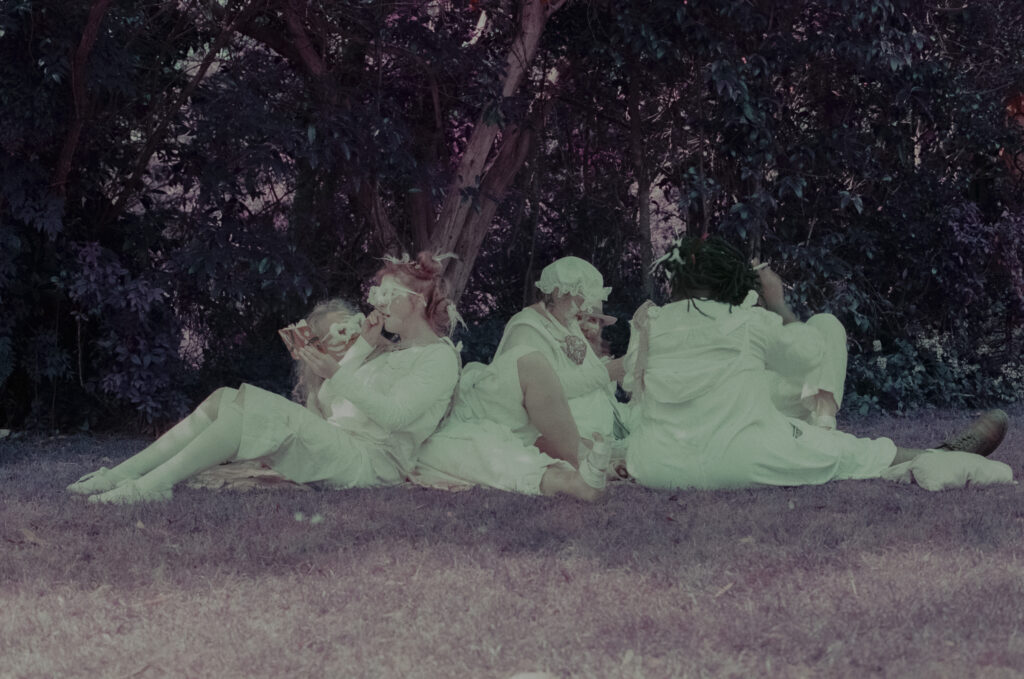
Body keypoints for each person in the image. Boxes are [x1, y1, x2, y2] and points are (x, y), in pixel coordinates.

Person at [622, 235, 1011, 491]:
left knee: (802, 400)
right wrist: (777, 303)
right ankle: (943, 455)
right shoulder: (748, 321)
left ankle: (834, 429)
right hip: (740, 460)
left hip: (656, 465)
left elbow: (632, 386)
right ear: (732, 282)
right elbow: (810, 354)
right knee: (849, 452)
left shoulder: (651, 321)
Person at [67, 252, 462, 504]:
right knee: (225, 397)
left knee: (254, 407)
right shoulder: (392, 350)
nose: (378, 303)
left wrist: (337, 372)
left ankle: (153, 485)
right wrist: (360, 349)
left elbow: (394, 417)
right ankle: (124, 474)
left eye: (388, 296)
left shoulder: (439, 358)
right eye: (378, 295)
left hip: (371, 463)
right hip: (342, 444)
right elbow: (330, 405)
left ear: (416, 303)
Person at [411, 257, 621, 500]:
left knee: (605, 441)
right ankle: (582, 462)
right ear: (558, 292)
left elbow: (585, 371)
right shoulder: (526, 326)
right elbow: (546, 388)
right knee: (531, 367)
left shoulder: (569, 325)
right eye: (580, 296)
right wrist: (612, 370)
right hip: (515, 411)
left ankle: (592, 460)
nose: (584, 305)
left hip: (560, 416)